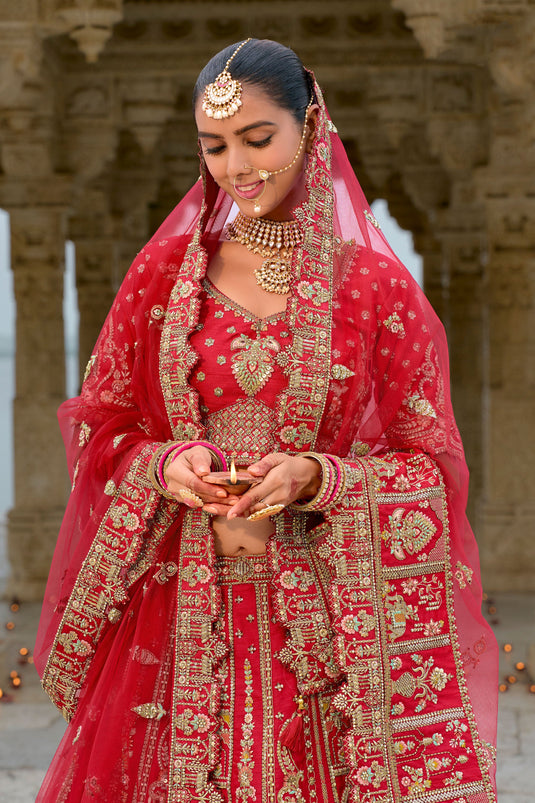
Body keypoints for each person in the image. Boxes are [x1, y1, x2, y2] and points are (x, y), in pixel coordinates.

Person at [34, 38, 498, 803]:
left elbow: (430, 464)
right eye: (214, 146)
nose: (236, 167)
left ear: (309, 127)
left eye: (257, 139)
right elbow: (102, 421)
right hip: (175, 609)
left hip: (320, 624)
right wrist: (166, 463)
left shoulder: (374, 288)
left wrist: (319, 474)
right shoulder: (162, 274)